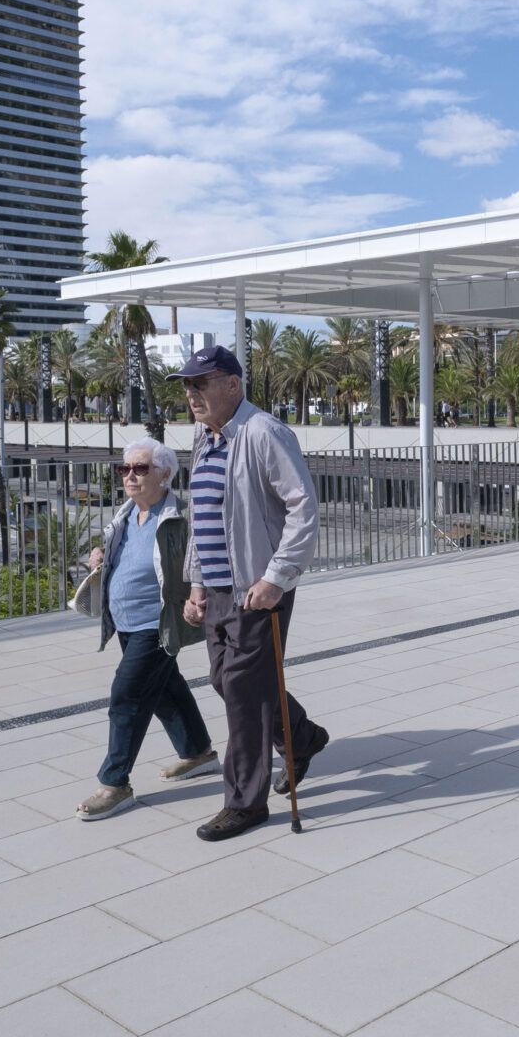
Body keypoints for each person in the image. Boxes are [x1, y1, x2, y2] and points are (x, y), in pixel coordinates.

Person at [175, 344, 331, 841]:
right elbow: (202, 519)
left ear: (232, 385)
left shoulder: (263, 432)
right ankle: (302, 737)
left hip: (257, 588)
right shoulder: (204, 438)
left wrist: (275, 578)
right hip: (218, 589)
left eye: (201, 384)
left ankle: (245, 802)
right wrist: (196, 584)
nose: (191, 394)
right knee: (227, 681)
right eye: (187, 385)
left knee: (243, 693)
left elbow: (303, 508)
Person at [76, 440, 213, 821]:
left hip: (157, 622)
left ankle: (114, 783)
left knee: (127, 694)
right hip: (125, 621)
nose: (130, 476)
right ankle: (198, 751)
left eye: (140, 468)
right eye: (125, 469)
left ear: (164, 474)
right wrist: (100, 556)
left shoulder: (178, 518)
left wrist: (197, 597)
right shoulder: (125, 516)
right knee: (166, 687)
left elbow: (199, 561)